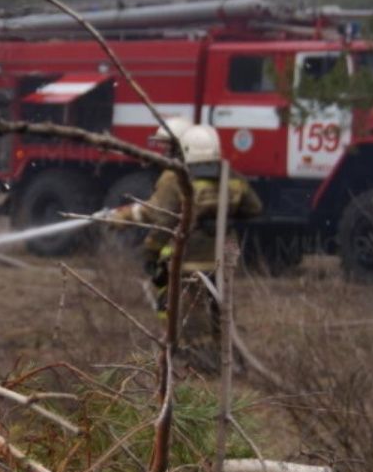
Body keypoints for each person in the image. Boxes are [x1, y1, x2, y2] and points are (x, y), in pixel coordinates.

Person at [112, 122, 263, 368]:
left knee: (191, 312)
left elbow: (162, 216)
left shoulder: (175, 177)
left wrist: (149, 252)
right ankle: (227, 359)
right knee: (220, 310)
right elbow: (254, 207)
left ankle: (200, 361)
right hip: (224, 257)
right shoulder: (228, 174)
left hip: (190, 258)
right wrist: (224, 216)